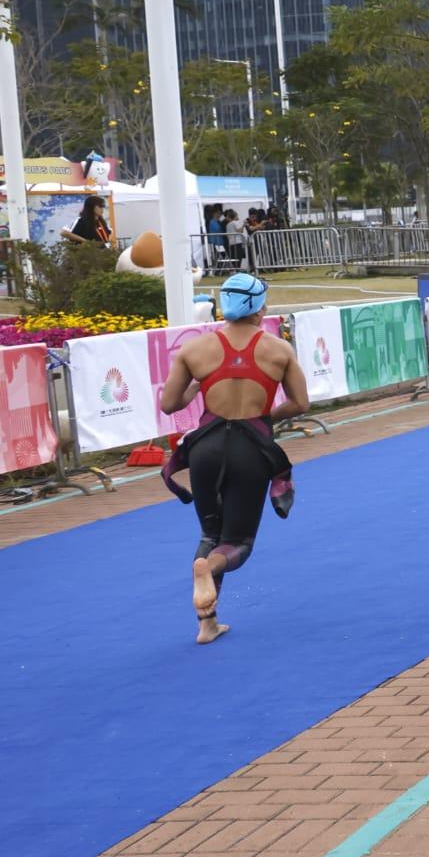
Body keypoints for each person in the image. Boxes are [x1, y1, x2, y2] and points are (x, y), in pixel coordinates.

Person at [157, 274, 309, 645]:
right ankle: (209, 567)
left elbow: (169, 404)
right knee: (237, 542)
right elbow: (301, 403)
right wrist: (264, 419)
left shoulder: (194, 350)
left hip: (205, 448)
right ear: (259, 309)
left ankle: (206, 623)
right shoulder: (279, 350)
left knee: (210, 533)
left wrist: (196, 387)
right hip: (250, 449)